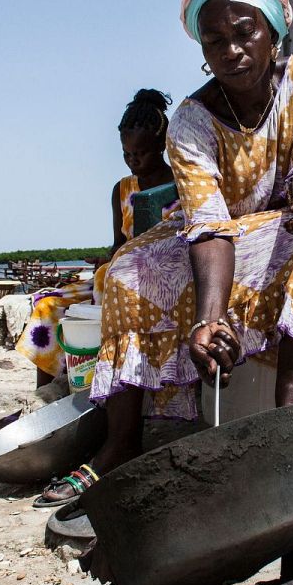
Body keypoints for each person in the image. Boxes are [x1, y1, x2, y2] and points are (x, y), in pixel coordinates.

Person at [38, 0, 293, 506]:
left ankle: (290, 432)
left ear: (273, 32)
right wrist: (209, 319)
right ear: (202, 50)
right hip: (214, 236)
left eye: (246, 33)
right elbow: (210, 226)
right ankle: (121, 444)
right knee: (122, 272)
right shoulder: (191, 120)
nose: (232, 50)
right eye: (215, 40)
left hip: (286, 224)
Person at [16, 90, 177, 388]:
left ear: (161, 145)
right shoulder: (123, 189)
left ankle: (105, 382)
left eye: (140, 153)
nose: (133, 161)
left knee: (103, 285)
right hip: (114, 276)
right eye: (126, 154)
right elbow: (119, 243)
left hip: (159, 282)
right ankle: (49, 393)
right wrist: (108, 257)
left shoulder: (180, 185)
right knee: (46, 305)